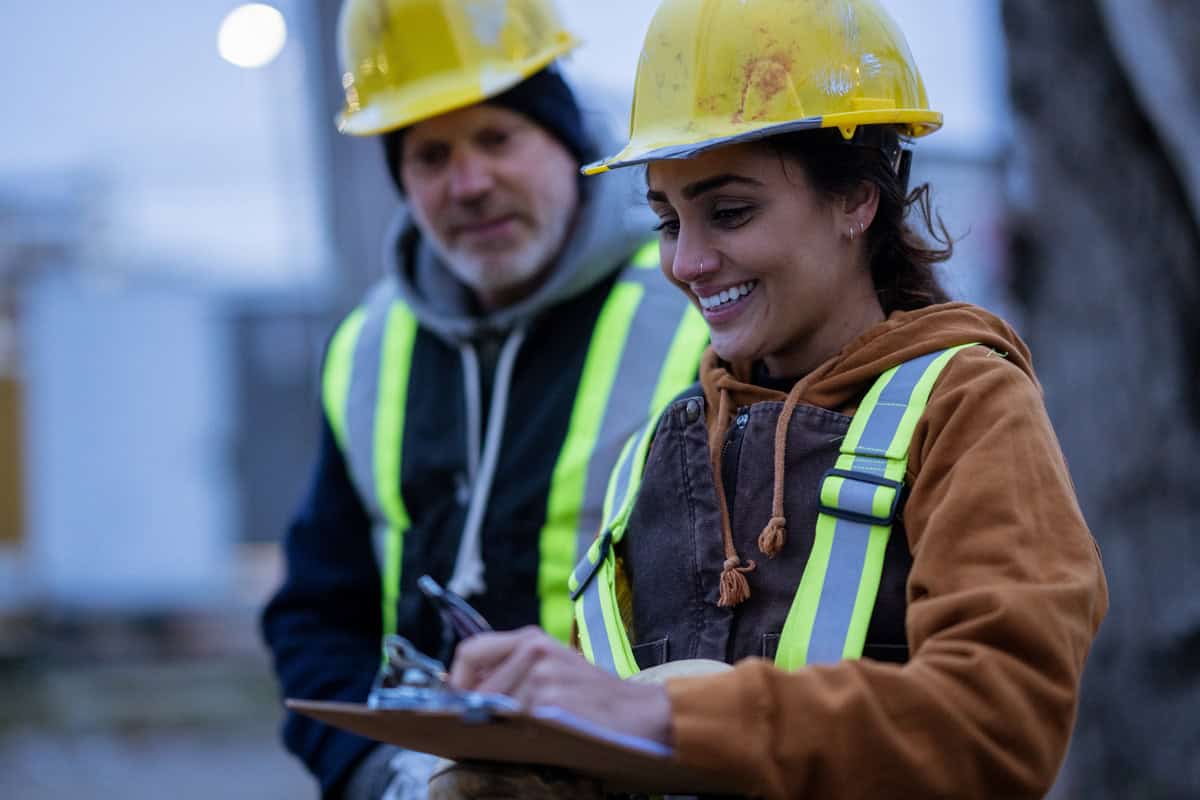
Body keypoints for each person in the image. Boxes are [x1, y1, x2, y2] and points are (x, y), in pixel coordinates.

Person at [446, 0, 1109, 798]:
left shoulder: (965, 406)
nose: (686, 262)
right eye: (665, 220)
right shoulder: (661, 447)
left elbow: (1000, 726)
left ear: (858, 200)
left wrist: (671, 718)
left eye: (729, 212)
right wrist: (531, 761)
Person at [259, 1, 707, 798]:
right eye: (430, 155)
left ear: (567, 140)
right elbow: (316, 618)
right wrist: (383, 775)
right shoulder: (367, 350)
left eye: (498, 138)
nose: (468, 183)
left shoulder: (700, 312)